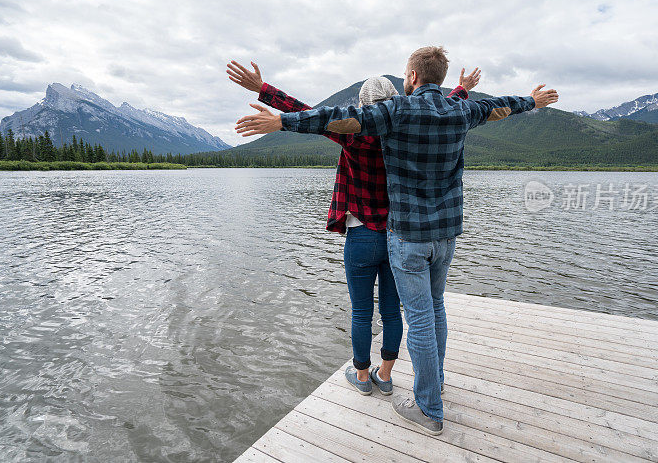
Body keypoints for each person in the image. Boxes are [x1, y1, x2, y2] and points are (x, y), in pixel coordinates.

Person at [233, 46, 558, 436]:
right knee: (429, 310)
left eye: (407, 73)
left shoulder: (394, 115)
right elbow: (498, 106)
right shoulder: (457, 111)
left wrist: (280, 115)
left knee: (406, 316)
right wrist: (528, 100)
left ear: (414, 77)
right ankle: (417, 380)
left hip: (403, 236)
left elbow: (334, 118)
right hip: (446, 234)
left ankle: (425, 405)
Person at [226, 60, 480, 398]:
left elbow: (312, 114)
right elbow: (437, 109)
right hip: (396, 236)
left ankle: (362, 377)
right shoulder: (400, 132)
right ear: (393, 102)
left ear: (361, 106)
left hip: (361, 235)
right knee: (391, 311)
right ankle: (385, 376)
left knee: (361, 312)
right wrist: (462, 89)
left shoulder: (353, 135)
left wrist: (263, 90)